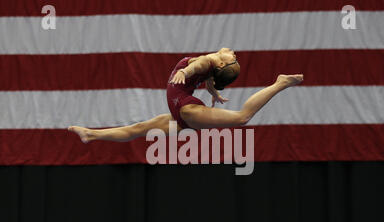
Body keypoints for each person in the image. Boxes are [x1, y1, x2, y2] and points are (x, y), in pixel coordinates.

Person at [68, 47, 303, 143]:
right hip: (180, 110)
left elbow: (197, 67)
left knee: (242, 118)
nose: (233, 53)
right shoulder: (213, 67)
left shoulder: (209, 60)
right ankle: (90, 134)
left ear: (222, 63)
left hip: (185, 108)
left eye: (232, 58)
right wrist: (214, 94)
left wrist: (184, 71)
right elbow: (207, 79)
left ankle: (279, 83)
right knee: (136, 130)